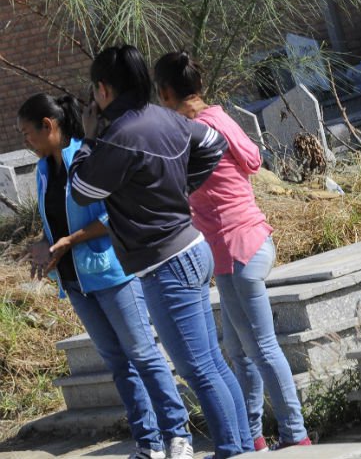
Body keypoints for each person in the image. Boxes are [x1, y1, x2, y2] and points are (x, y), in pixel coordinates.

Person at [68, 45, 253, 458]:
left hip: (167, 264)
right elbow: (212, 143)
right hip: (190, 248)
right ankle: (241, 447)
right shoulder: (164, 117)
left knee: (199, 370)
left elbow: (82, 191)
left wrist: (88, 139)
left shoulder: (119, 137)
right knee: (213, 364)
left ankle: (231, 450)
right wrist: (180, 186)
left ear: (103, 89)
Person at [18, 93, 192, 459]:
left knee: (143, 354)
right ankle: (148, 443)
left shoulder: (89, 157)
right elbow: (58, 223)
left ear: (48, 126)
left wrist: (70, 241)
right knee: (117, 363)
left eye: (27, 133)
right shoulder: (42, 170)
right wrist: (43, 245)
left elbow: (115, 215)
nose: (26, 142)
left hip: (112, 274)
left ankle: (178, 434)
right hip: (75, 281)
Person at [154, 51, 311, 451]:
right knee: (239, 352)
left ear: (166, 92)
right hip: (244, 244)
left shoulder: (195, 132)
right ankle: (253, 436)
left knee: (260, 348)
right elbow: (255, 160)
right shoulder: (220, 118)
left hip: (235, 247)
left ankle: (295, 435)